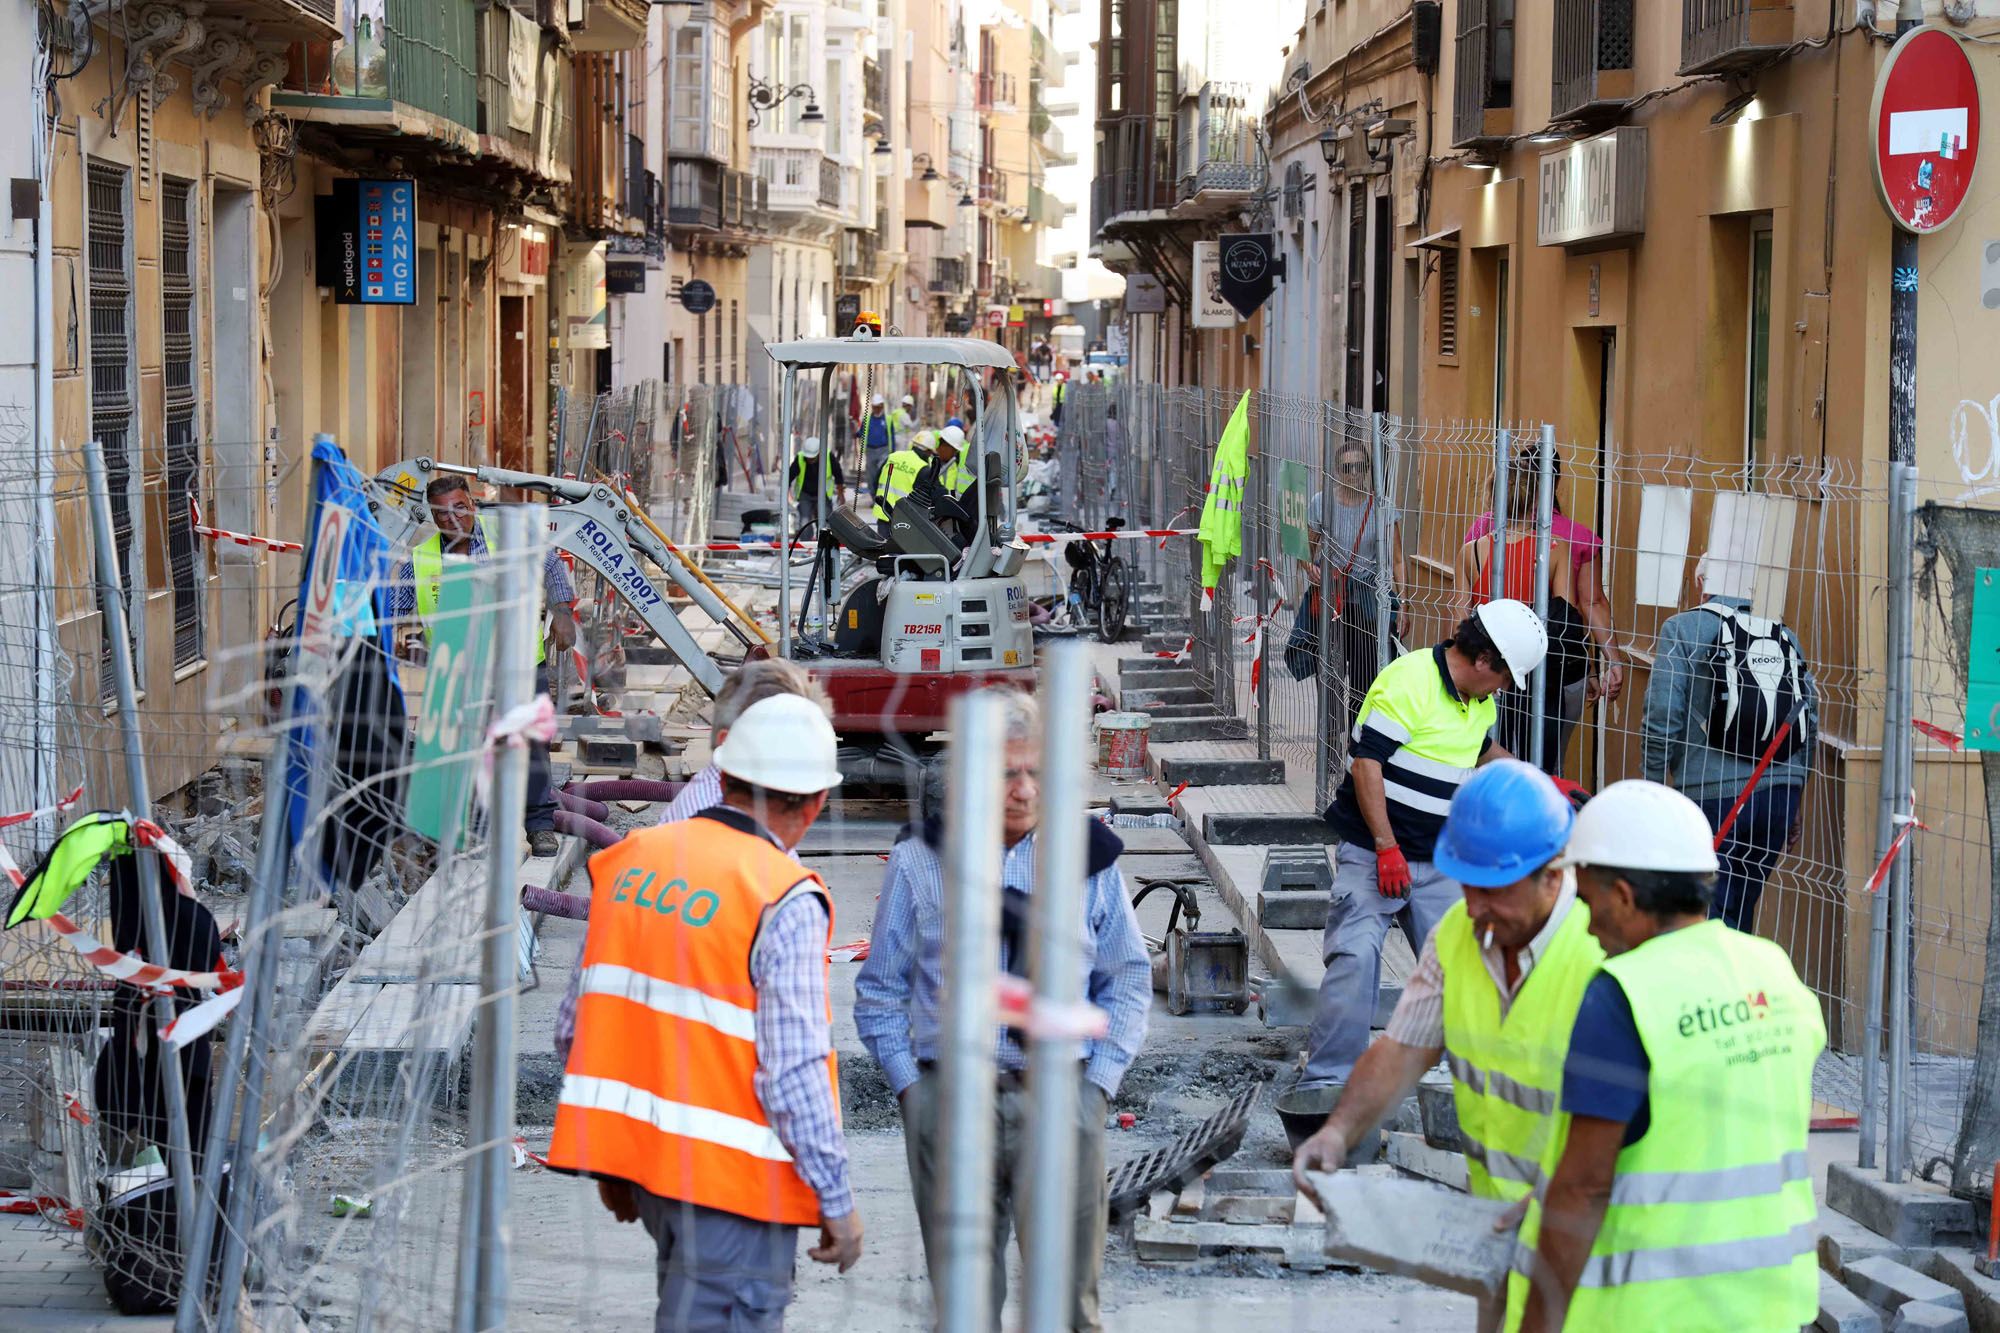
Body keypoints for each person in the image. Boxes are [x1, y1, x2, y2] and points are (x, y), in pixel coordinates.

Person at [547, 694, 862, 1329]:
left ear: (724, 775)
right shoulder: (784, 895)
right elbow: (794, 1071)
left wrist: (614, 1160)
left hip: (653, 1177)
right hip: (733, 1193)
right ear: (815, 802)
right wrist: (836, 1198)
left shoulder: (634, 861)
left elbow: (573, 1027)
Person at [854, 690, 1150, 1331]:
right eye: (1005, 771)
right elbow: (879, 990)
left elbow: (1126, 979)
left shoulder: (1090, 858)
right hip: (951, 1100)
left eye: (1037, 772)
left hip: (1062, 1096)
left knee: (1070, 1304)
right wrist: (914, 1093)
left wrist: (1096, 1090)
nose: (1022, 789)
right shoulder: (921, 861)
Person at [1293, 761, 1603, 1332]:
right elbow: (1402, 1049)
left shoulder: (1601, 952)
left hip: (1588, 1243)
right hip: (1500, 1236)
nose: (1476, 906)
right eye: (1467, 883)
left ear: (1553, 874)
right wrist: (1338, 1132)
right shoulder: (1461, 933)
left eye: (1494, 890)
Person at [1518, 780, 1823, 1332]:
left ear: (1626, 897)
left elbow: (1583, 1188)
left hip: (1653, 1314)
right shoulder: (1773, 969)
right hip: (1772, 1307)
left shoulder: (1622, 994)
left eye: (1588, 902)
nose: (1586, 925)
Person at [1300, 602, 1547, 1091]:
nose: (1501, 689)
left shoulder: (1479, 702)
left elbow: (1479, 751)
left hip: (1436, 859)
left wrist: (1537, 783)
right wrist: (1386, 847)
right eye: (1502, 677)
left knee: (1470, 965)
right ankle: (1327, 1084)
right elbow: (1366, 764)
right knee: (1356, 957)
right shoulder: (1408, 680)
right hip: (1377, 852)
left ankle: (1477, 1081)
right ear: (1483, 661)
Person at [391, 473, 575, 857]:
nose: (453, 519)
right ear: (434, 518)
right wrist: (391, 634)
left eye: (460, 507)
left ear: (472, 504)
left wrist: (562, 613)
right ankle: (476, 832)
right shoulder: (422, 559)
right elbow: (397, 609)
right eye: (443, 514)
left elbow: (552, 565)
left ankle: (539, 824)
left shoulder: (507, 537)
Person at [1641, 556, 1817, 932]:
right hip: (1777, 794)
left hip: (1711, 797)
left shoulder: (1682, 628)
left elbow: (1661, 715)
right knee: (1741, 912)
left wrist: (1653, 791)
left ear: (1700, 581)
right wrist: (1795, 794)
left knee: (1703, 917)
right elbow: (1808, 717)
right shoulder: (1784, 635)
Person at [1458, 444, 1625, 766]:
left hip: (1487, 663)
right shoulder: (1574, 539)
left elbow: (1460, 611)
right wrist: (1604, 663)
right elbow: (1579, 609)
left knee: (1488, 752)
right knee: (1546, 759)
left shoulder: (1480, 534)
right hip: (1550, 668)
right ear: (1552, 484)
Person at [1307, 441, 1406, 725]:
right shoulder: (1321, 503)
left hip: (1367, 602)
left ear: (1367, 470)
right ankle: (1329, 737)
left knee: (1365, 677)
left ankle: (1355, 739)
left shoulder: (1382, 506)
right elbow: (1306, 549)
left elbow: (1397, 558)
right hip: (1332, 599)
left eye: (1359, 467)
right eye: (1347, 467)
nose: (1353, 473)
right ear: (1338, 470)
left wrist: (1405, 603)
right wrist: (1310, 570)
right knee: (1328, 674)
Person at [872, 429, 934, 534]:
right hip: (905, 520)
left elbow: (875, 482)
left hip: (884, 515)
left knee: (884, 548)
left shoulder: (893, 456)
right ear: (928, 451)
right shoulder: (922, 467)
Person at [787, 436, 847, 531]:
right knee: (804, 523)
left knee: (825, 524)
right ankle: (806, 544)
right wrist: (788, 496)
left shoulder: (828, 456)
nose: (810, 460)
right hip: (805, 494)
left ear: (819, 453)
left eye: (812, 458)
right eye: (808, 458)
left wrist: (841, 495)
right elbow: (788, 477)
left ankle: (824, 544)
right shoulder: (800, 458)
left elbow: (838, 475)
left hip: (824, 494)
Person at [860, 393, 900, 493]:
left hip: (883, 450)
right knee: (871, 475)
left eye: (878, 407)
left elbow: (891, 436)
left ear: (882, 406)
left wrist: (893, 452)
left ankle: (881, 494)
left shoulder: (888, 419)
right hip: (870, 451)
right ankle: (873, 496)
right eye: (874, 407)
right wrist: (856, 433)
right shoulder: (867, 419)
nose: (876, 409)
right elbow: (862, 432)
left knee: (882, 473)